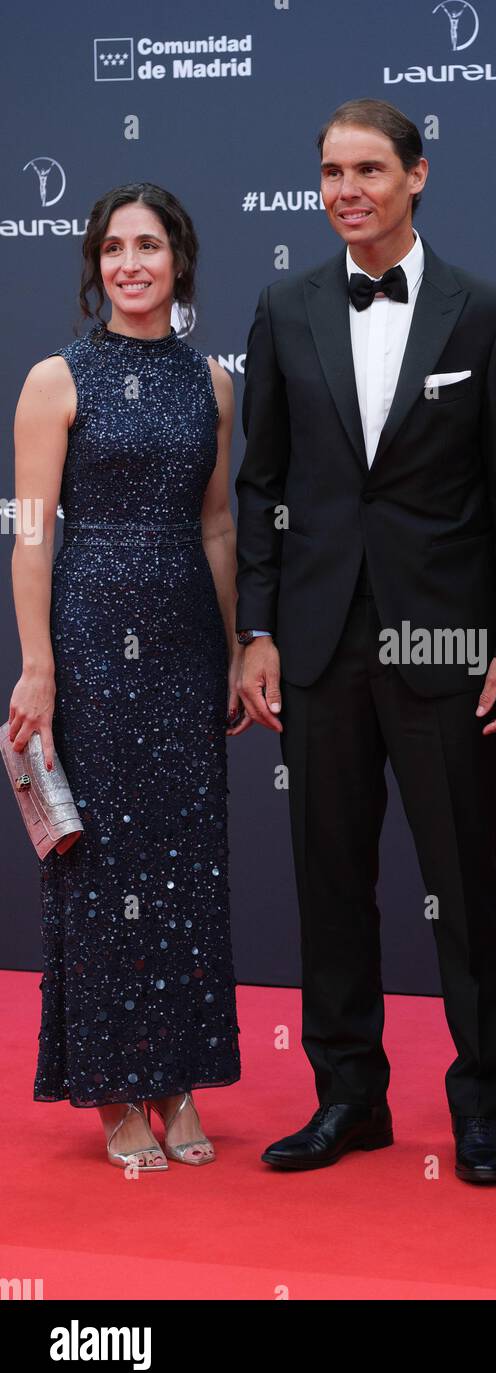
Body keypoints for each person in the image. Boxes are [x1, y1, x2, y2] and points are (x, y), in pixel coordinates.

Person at [235, 99, 496, 1182]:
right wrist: (256, 629)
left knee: (465, 877)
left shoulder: (491, 313)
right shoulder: (281, 306)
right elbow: (259, 482)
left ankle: (479, 1105)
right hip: (316, 638)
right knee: (329, 877)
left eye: (368, 167)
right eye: (329, 171)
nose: (345, 189)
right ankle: (349, 1097)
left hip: (443, 639)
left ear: (416, 175)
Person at [9, 182, 243, 1169]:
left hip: (186, 642)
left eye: (149, 246)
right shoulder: (54, 378)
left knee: (184, 873)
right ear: (96, 265)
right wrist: (39, 667)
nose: (131, 264)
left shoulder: (211, 383)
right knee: (103, 866)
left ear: (177, 260)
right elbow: (28, 537)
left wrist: (233, 650)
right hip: (93, 631)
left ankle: (176, 1081)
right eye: (114, 248)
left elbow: (220, 524)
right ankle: (112, 1088)